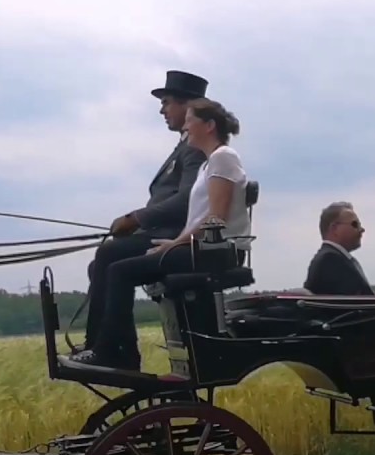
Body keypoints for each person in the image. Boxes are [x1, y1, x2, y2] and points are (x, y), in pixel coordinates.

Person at [66, 98, 248, 371]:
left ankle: (111, 352)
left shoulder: (223, 158)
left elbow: (215, 220)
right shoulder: (208, 165)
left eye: (190, 121)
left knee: (119, 271)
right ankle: (111, 349)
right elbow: (199, 217)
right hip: (203, 248)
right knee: (116, 267)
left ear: (209, 126)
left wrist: (175, 243)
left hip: (216, 253)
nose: (185, 128)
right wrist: (172, 243)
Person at [79, 70, 210, 353]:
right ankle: (115, 347)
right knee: (100, 263)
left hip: (177, 238)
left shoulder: (194, 149)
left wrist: (136, 218)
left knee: (108, 254)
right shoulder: (184, 147)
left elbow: (187, 200)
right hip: (163, 233)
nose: (162, 110)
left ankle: (109, 350)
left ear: (187, 106)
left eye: (166, 102)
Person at [304, 201, 374, 296]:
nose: (362, 229)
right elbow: (355, 306)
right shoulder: (330, 260)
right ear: (334, 228)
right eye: (355, 224)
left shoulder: (334, 258)